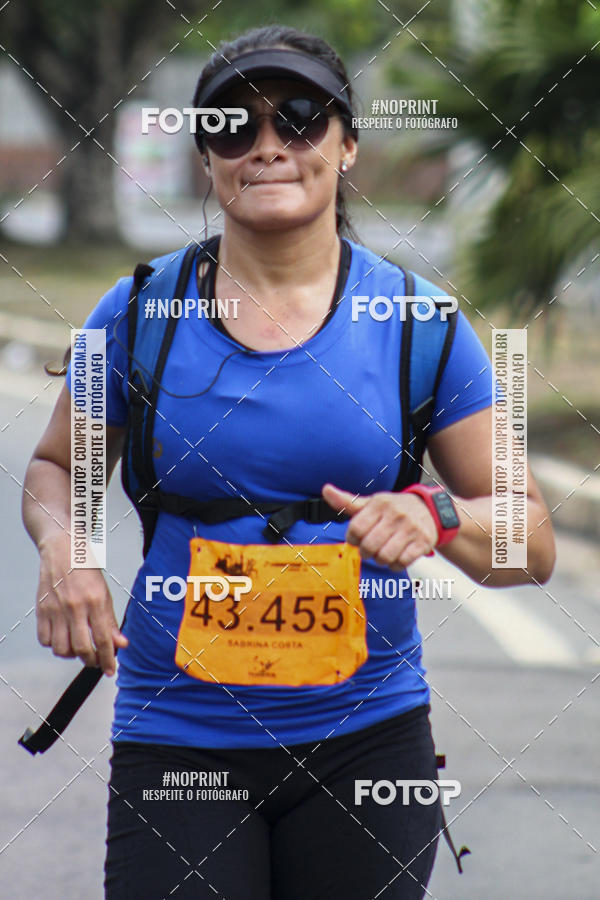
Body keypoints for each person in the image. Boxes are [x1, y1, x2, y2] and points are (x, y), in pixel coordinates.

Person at [22, 24, 556, 900]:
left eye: (300, 119)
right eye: (234, 124)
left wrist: (437, 511)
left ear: (346, 147)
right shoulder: (134, 308)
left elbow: (530, 541)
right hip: (180, 737)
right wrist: (67, 548)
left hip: (368, 745)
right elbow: (54, 469)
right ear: (206, 157)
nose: (267, 144)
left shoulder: (427, 324)